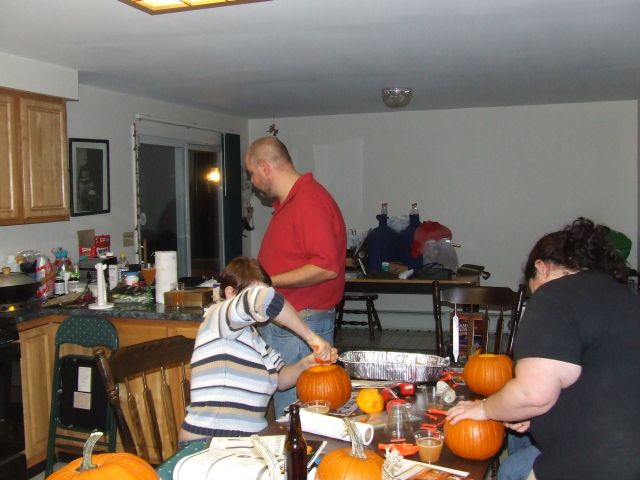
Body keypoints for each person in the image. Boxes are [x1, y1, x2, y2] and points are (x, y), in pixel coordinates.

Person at [446, 217, 640, 480]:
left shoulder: (554, 295)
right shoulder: (621, 294)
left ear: (541, 268)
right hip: (623, 443)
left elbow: (533, 394)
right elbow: (597, 381)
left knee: (512, 471)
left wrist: (483, 408)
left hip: (602, 460)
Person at [179, 257, 336, 442]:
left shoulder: (254, 337)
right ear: (230, 293)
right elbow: (264, 299)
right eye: (253, 292)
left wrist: (306, 363)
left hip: (246, 440)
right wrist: (310, 336)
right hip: (210, 439)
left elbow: (281, 379)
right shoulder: (218, 316)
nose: (262, 309)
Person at [245, 136, 346, 417]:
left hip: (301, 322)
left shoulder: (309, 201)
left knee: (295, 415)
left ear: (265, 167)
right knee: (291, 412)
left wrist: (268, 282)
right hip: (290, 321)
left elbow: (326, 267)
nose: (252, 181)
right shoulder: (291, 202)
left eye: (251, 172)